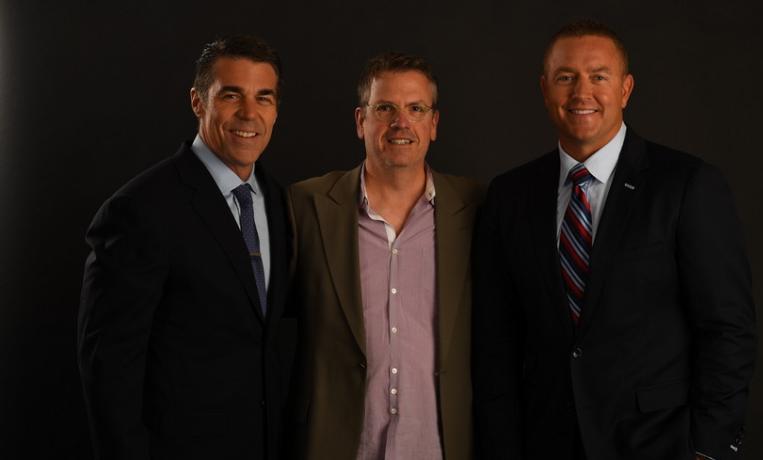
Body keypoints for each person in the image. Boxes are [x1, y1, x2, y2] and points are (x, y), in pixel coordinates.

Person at [472, 20, 756, 460]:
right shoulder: (510, 195)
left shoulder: (685, 185)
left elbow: (727, 328)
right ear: (545, 89)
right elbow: (495, 342)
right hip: (545, 441)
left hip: (660, 442)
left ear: (625, 89)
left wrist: (710, 448)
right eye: (566, 78)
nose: (582, 93)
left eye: (598, 77)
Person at [77, 35, 292, 460]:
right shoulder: (140, 209)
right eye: (231, 95)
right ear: (198, 101)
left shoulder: (283, 205)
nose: (249, 113)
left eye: (263, 98)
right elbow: (109, 368)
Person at [286, 52, 482, 460]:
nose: (401, 122)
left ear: (434, 124)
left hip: (439, 447)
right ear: (361, 121)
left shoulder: (476, 209)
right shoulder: (306, 206)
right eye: (385, 108)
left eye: (416, 108)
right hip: (338, 446)